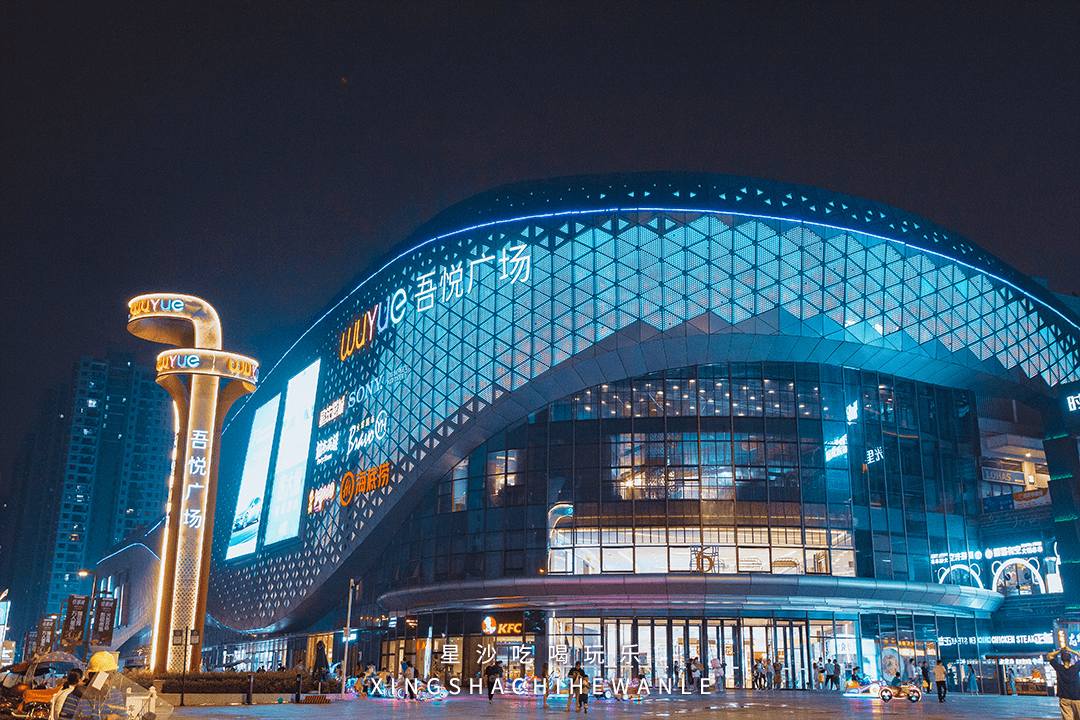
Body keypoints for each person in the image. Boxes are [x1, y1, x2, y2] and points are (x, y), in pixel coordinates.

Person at [1048, 645, 1080, 720]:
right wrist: (1070, 650)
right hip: (1077, 697)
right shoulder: (1075, 668)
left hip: (1064, 697)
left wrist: (1061, 651)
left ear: (1061, 659)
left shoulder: (1059, 668)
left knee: (1067, 717)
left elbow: (1049, 655)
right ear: (1070, 659)